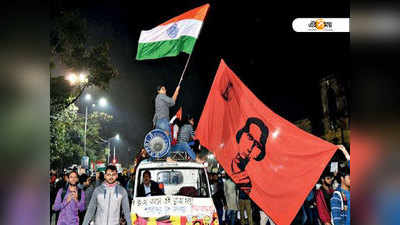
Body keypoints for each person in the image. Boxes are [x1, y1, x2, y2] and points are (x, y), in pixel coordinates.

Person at [231, 117, 269, 195]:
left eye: (257, 145)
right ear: (240, 135)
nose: (251, 147)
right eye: (250, 137)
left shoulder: (251, 180)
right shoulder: (235, 168)